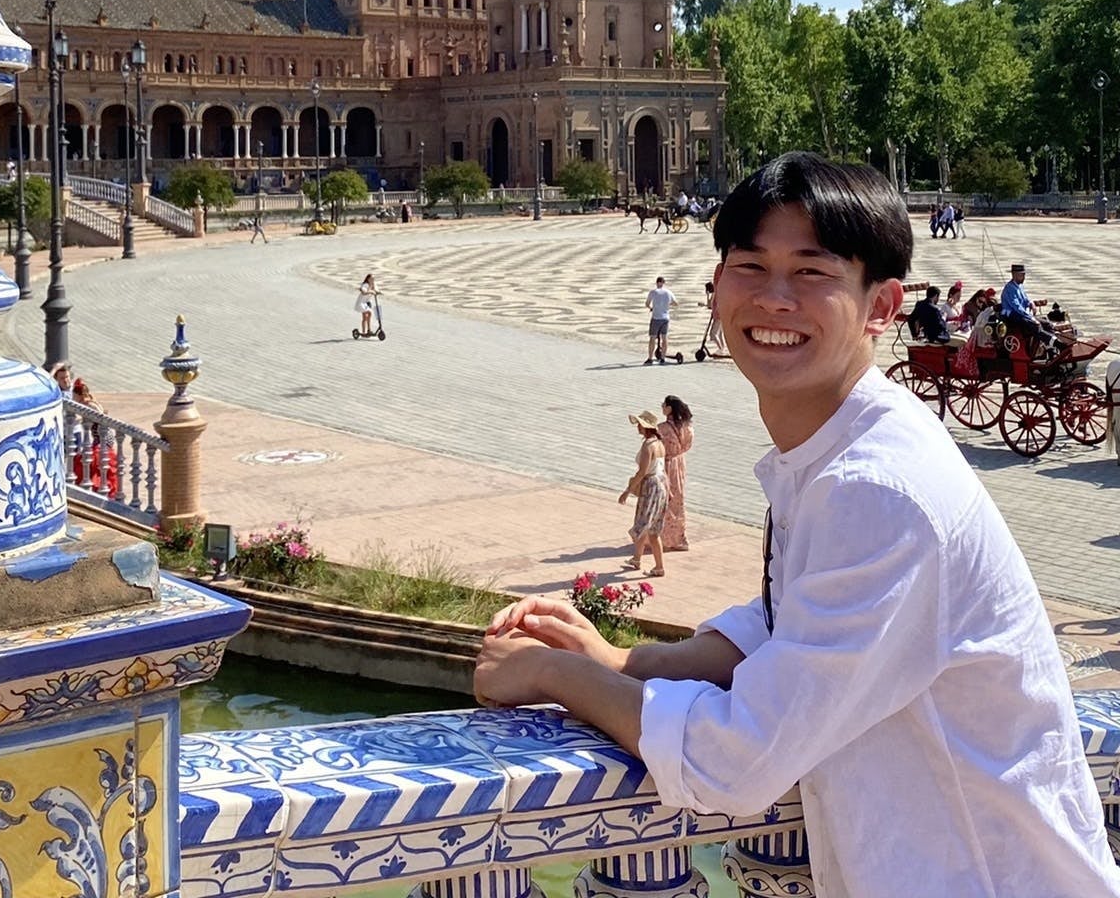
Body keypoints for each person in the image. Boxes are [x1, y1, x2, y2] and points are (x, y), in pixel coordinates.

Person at [474, 151, 1117, 897]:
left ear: (882, 306)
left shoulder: (878, 488)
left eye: (812, 272)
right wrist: (625, 662)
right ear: (716, 286)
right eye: (750, 266)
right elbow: (793, 621)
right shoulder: (851, 442)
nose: (774, 298)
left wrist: (558, 674)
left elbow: (734, 762)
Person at [618, 411, 667, 577]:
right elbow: (662, 469)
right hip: (661, 484)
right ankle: (639, 559)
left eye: (640, 424)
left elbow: (642, 472)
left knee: (642, 525)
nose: (638, 427)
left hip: (650, 486)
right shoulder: (659, 444)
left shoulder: (648, 446)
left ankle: (656, 566)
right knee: (652, 528)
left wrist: (627, 491)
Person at [657, 395, 693, 552]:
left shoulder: (662, 428)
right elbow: (688, 445)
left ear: (669, 408)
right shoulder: (687, 428)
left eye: (663, 405)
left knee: (663, 499)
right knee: (677, 499)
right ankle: (678, 537)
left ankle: (661, 538)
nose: (662, 407)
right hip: (679, 463)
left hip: (665, 464)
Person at [1000, 262, 1056, 353]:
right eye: (1021, 275)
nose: (1024, 277)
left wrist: (1031, 303)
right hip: (1011, 316)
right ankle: (1048, 344)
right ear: (1014, 275)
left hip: (1021, 315)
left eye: (1024, 275)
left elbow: (1025, 299)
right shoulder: (1009, 288)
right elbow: (1017, 307)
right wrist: (1030, 317)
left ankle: (1050, 348)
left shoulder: (1020, 286)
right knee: (1035, 325)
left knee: (1047, 324)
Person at [644, 275, 677, 364]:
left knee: (652, 338)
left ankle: (650, 358)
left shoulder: (653, 292)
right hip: (665, 318)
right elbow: (675, 303)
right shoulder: (668, 292)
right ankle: (663, 358)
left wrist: (651, 308)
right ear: (663, 283)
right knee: (664, 338)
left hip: (656, 317)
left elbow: (647, 303)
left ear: (657, 283)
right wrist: (667, 304)